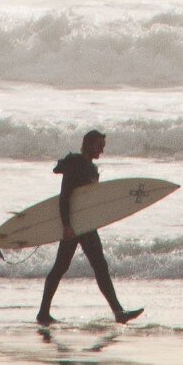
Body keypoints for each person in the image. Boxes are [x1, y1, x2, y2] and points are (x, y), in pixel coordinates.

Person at [37, 129, 143, 325]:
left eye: (103, 147)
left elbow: (90, 202)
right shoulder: (76, 165)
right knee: (76, 267)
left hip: (85, 225)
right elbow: (65, 196)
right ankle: (118, 312)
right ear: (89, 144)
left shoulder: (92, 169)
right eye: (99, 146)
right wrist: (67, 225)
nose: (101, 151)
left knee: (88, 266)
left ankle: (44, 313)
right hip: (75, 225)